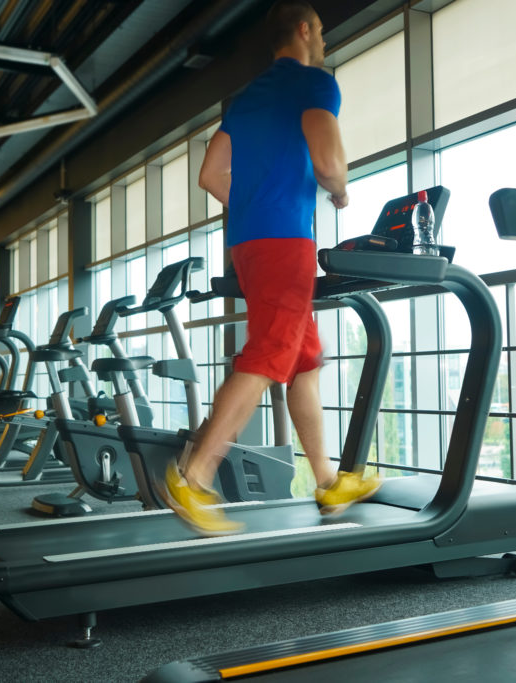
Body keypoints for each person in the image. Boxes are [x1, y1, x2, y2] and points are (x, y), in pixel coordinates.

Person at [161, 0, 380, 536]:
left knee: (301, 360)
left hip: (249, 242)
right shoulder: (315, 82)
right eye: (322, 31)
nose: (324, 41)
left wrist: (256, 205)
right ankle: (194, 475)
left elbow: (212, 176)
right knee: (266, 356)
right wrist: (341, 191)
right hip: (287, 240)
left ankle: (328, 480)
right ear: (304, 31)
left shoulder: (248, 96)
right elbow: (328, 162)